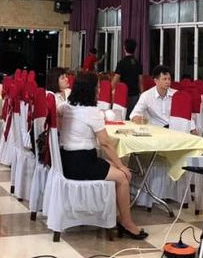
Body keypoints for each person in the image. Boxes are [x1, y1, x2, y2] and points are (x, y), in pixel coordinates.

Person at [58, 71, 148, 240]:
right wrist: (121, 165)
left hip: (67, 161)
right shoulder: (91, 112)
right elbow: (105, 143)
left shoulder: (66, 106)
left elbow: (58, 117)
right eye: (97, 87)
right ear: (90, 90)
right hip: (82, 163)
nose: (99, 90)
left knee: (112, 166)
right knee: (123, 177)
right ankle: (126, 222)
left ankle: (115, 214)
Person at [111, 38, 143, 117]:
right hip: (135, 94)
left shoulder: (121, 63)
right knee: (132, 116)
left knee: (121, 117)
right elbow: (140, 81)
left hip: (123, 94)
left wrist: (111, 91)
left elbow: (115, 79)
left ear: (124, 48)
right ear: (135, 49)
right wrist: (142, 95)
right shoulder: (138, 63)